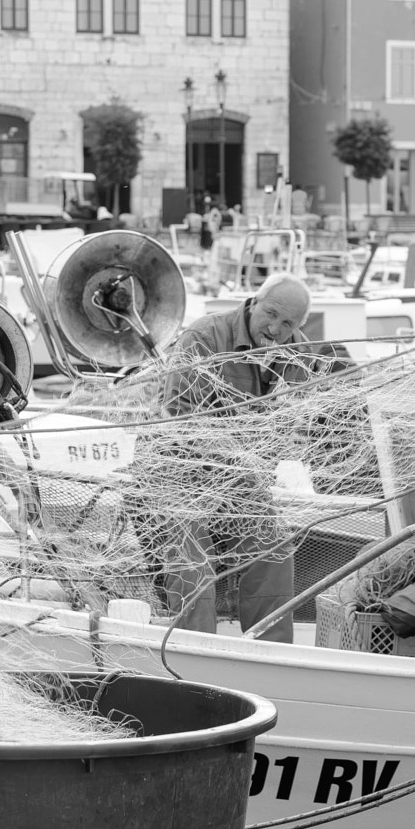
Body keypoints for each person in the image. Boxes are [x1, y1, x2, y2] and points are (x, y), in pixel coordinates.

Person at [157, 272, 320, 643]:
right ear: (254, 302)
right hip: (180, 467)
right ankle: (197, 650)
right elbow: (178, 414)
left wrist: (283, 444)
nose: (275, 328)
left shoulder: (296, 350)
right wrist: (240, 451)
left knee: (275, 546)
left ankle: (271, 652)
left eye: (287, 323)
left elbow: (295, 417)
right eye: (271, 314)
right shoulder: (204, 337)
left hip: (240, 475)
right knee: (190, 556)